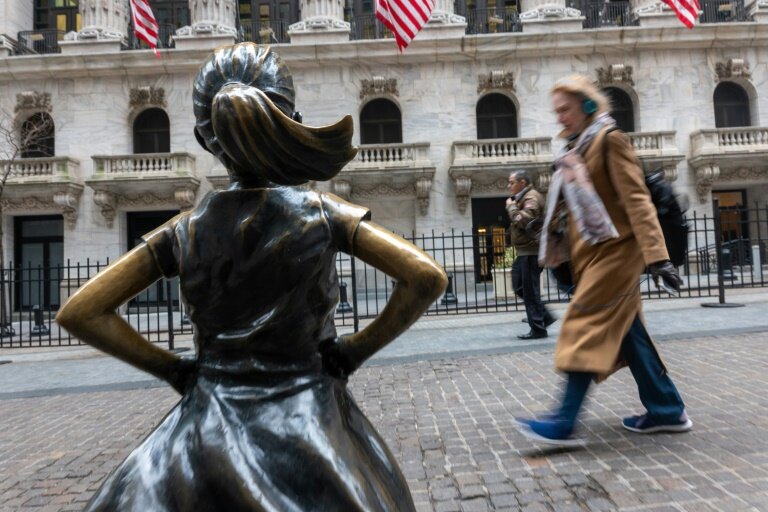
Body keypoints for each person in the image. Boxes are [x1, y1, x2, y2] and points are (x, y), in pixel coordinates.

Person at [56, 43, 447, 511]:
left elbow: (81, 311)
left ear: (205, 140)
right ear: (293, 118)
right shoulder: (323, 214)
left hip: (206, 422)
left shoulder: (182, 231)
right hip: (308, 410)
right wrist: (353, 351)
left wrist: (174, 369)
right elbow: (425, 277)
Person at [514, 74, 691, 447]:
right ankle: (666, 409)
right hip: (592, 257)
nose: (559, 117)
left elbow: (638, 201)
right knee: (630, 335)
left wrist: (659, 259)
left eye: (565, 109)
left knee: (583, 326)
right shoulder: (575, 151)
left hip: (617, 253)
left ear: (588, 105)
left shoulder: (610, 141)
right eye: (556, 111)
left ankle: (564, 421)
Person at [505, 170, 556, 339]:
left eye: (511, 182)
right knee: (519, 284)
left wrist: (511, 207)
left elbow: (526, 219)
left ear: (522, 182)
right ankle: (543, 317)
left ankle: (538, 328)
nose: (509, 186)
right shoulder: (524, 197)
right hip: (525, 250)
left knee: (529, 290)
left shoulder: (531, 197)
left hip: (531, 250)